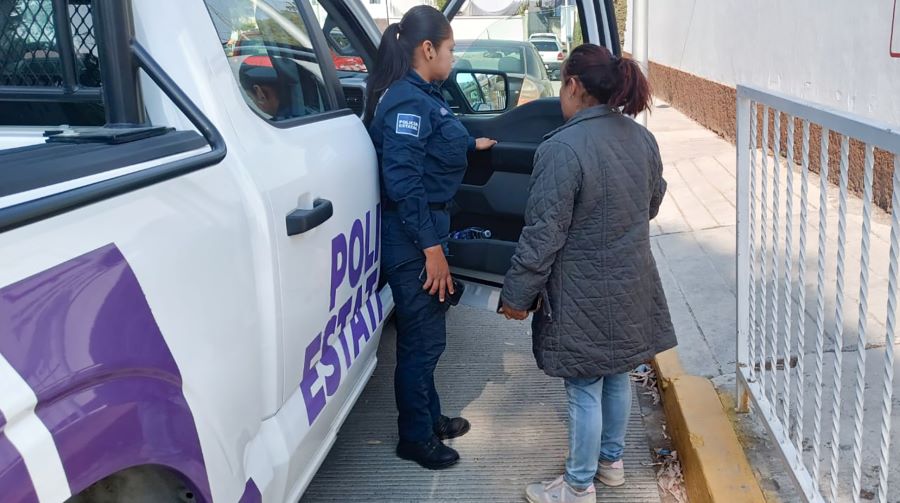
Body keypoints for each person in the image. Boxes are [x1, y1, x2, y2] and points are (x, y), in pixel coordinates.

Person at [498, 44, 676, 503]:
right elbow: (651, 203)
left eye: (562, 83)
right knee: (617, 373)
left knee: (583, 386)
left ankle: (578, 486)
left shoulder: (562, 148)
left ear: (574, 85)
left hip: (581, 289)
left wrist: (517, 295)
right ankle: (611, 464)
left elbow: (543, 235)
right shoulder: (641, 139)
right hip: (632, 279)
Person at [365, 5, 497, 470]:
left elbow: (432, 142)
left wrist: (470, 144)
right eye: (450, 49)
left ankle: (429, 416)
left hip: (427, 230)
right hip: (412, 237)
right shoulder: (406, 100)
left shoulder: (425, 95)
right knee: (421, 342)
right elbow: (403, 182)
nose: (452, 57)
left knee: (429, 338)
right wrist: (431, 249)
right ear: (427, 49)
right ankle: (414, 438)